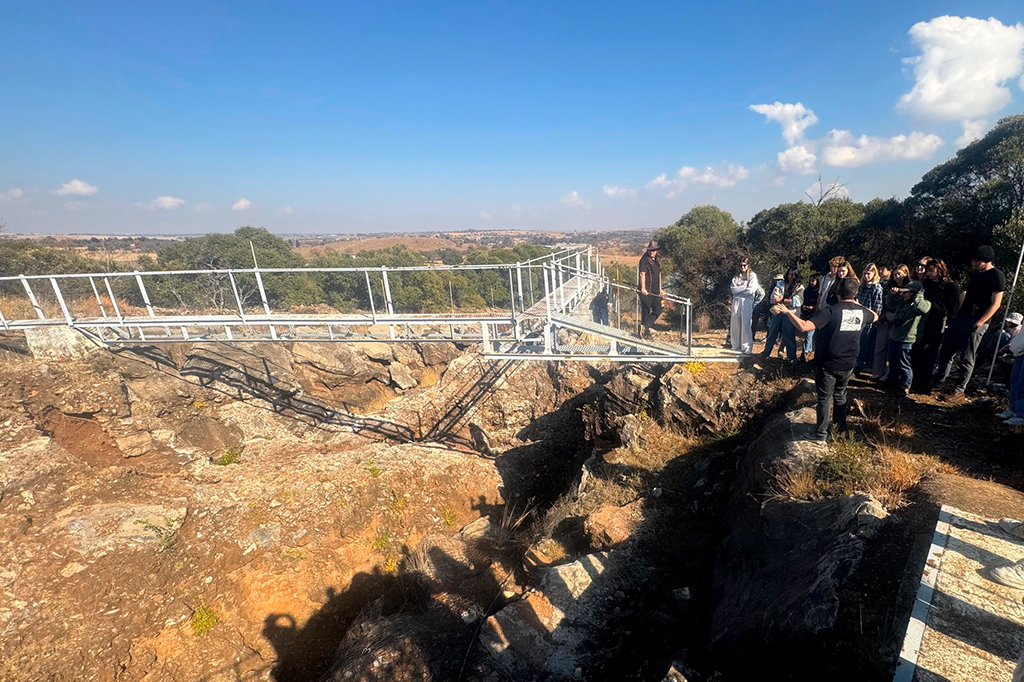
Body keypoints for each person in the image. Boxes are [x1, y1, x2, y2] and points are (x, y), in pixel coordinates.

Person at [776, 277, 877, 441]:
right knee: (840, 396)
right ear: (856, 293)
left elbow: (804, 326)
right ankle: (839, 431)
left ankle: (821, 433)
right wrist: (859, 305)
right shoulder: (862, 312)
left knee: (824, 398)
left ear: (837, 292)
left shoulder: (831, 311)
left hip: (829, 362)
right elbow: (875, 316)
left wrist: (788, 313)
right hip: (849, 362)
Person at [934, 245, 1006, 395]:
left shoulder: (997, 276)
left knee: (967, 356)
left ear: (986, 260)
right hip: (961, 316)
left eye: (976, 260)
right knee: (947, 351)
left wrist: (980, 322)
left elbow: (996, 303)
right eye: (972, 259)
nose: (973, 263)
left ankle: (959, 389)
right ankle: (939, 382)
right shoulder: (975, 275)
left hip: (977, 320)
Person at [910, 258, 960, 394]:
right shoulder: (926, 284)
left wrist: (949, 323)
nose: (929, 273)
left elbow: (954, 307)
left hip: (938, 323)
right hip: (923, 321)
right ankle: (914, 381)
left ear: (940, 270)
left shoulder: (950, 287)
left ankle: (924, 384)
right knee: (918, 350)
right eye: (928, 271)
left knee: (930, 353)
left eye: (932, 271)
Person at [885, 280, 932, 396]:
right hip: (896, 336)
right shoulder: (902, 302)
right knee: (893, 360)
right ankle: (892, 381)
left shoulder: (924, 304)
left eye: (906, 292)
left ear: (914, 293)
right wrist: (892, 294)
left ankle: (906, 385)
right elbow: (890, 305)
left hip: (908, 339)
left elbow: (922, 309)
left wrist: (918, 295)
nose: (903, 294)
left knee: (905, 363)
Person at [871, 263, 910, 381]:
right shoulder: (887, 286)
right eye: (895, 274)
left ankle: (889, 374)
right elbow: (885, 303)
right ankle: (877, 371)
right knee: (880, 346)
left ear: (906, 274)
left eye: (900, 274)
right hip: (885, 315)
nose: (897, 277)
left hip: (898, 318)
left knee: (892, 349)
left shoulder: (909, 288)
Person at [763, 267, 804, 362]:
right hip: (778, 312)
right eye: (789, 274)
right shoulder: (780, 284)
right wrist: (782, 301)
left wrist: (782, 300)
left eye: (792, 275)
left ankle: (791, 357)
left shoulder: (800, 287)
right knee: (772, 333)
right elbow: (773, 298)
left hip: (790, 314)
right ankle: (766, 353)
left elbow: (798, 302)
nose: (790, 276)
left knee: (789, 335)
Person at [856, 263, 884, 373]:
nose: (866, 276)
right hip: (858, 319)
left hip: (869, 321)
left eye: (869, 274)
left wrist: (861, 307)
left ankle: (863, 365)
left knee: (866, 344)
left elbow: (877, 309)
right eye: (865, 273)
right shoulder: (861, 286)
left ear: (874, 274)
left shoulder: (877, 288)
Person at [997, 312, 1024, 426]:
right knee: (1015, 380)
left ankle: (1021, 414)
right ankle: (1013, 409)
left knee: (1022, 383)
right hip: (1021, 351)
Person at [730, 257, 759, 353]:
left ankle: (746, 347)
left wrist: (739, 289)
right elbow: (733, 290)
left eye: (744, 265)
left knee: (745, 324)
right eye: (741, 265)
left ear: (748, 265)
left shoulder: (753, 276)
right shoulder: (736, 277)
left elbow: (751, 290)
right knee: (735, 323)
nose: (742, 267)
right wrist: (744, 287)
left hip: (747, 301)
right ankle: (735, 345)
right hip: (736, 301)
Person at [637, 241, 663, 339]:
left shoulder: (657, 260)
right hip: (647, 290)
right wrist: (643, 288)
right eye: (650, 251)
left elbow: (659, 274)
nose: (652, 252)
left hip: (655, 291)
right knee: (646, 310)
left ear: (656, 251)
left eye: (654, 250)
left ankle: (645, 327)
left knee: (658, 309)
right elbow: (642, 273)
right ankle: (645, 333)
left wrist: (660, 289)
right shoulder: (644, 260)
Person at [800, 274, 820, 361]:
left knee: (809, 334)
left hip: (815, 314)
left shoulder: (818, 291)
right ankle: (808, 350)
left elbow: (819, 303)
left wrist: (813, 307)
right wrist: (804, 307)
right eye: (810, 280)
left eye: (814, 280)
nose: (812, 282)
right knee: (807, 334)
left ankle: (805, 351)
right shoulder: (807, 291)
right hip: (806, 314)